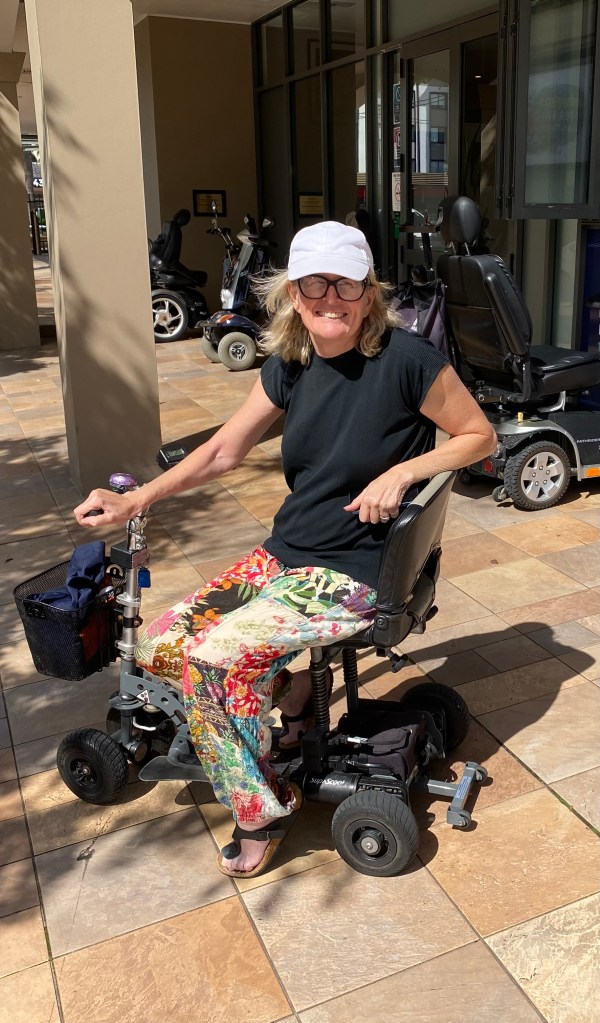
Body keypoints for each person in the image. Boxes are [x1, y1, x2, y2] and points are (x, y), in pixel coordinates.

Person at [74, 220, 496, 878]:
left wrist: (403, 472)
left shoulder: (409, 360)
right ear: (293, 294)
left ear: (368, 292)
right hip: (286, 553)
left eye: (345, 284)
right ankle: (294, 692)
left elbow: (478, 436)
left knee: (214, 663)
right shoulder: (291, 364)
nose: (331, 298)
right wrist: (138, 499)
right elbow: (224, 449)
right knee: (159, 646)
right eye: (313, 284)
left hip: (353, 570)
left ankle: (260, 808)